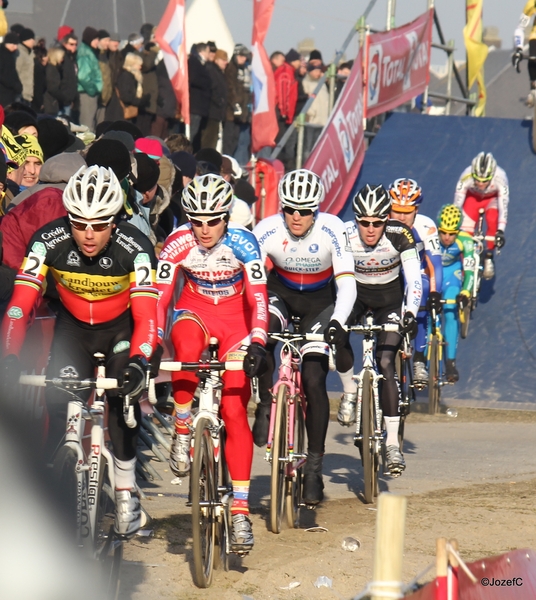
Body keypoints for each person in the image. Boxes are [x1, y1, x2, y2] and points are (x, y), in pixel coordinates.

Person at [0, 165, 158, 538]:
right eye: (79, 223)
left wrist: (140, 360)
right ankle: (56, 495)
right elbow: (20, 306)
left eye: (99, 225)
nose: (88, 234)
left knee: (123, 404)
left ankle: (124, 495)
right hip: (73, 330)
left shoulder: (135, 249)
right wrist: (8, 356)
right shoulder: (48, 241)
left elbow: (148, 316)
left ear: (115, 222)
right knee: (58, 411)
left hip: (121, 332)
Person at [155, 174, 268, 552]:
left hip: (237, 318)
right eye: (196, 219)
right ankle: (183, 424)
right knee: (184, 346)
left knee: (235, 407)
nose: (204, 229)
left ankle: (239, 510)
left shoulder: (243, 241)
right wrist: (154, 339)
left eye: (212, 220)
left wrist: (258, 341)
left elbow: (258, 299)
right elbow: (160, 297)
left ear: (226, 215)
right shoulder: (178, 242)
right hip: (196, 310)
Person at [252, 169, 356, 506]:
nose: (297, 217)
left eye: (305, 210)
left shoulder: (333, 229)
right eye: (290, 209)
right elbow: (249, 280)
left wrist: (338, 322)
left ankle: (313, 468)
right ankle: (266, 403)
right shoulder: (267, 229)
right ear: (281, 207)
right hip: (280, 293)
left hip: (320, 304)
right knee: (263, 332)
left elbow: (347, 284)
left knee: (313, 379)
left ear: (317, 210)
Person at [335, 184, 422, 476]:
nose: (370, 229)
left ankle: (393, 444)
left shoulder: (401, 235)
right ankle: (349, 391)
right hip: (355, 296)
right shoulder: (344, 235)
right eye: (364, 222)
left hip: (390, 301)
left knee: (386, 363)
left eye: (377, 222)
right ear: (356, 219)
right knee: (338, 337)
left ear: (387, 220)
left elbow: (414, 280)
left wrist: (409, 312)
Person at [389, 178, 443, 382]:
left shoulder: (426, 226)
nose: (401, 217)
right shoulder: (379, 223)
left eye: (407, 211)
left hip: (417, 271)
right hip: (391, 274)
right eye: (396, 210)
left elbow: (435, 263)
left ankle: (419, 359)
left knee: (421, 296)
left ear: (416, 209)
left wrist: (435, 293)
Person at [453, 152, 508, 280]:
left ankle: (489, 256)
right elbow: (457, 206)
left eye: (485, 181)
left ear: (492, 175)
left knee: (492, 219)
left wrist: (500, 232)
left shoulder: (501, 178)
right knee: (464, 233)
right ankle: (465, 262)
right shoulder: (465, 176)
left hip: (491, 199)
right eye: (477, 180)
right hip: (472, 198)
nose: (481, 184)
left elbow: (503, 207)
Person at [436, 205, 475, 382]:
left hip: (452, 275)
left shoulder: (465, 240)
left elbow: (470, 270)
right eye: (443, 232)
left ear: (458, 231)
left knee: (451, 311)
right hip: (434, 273)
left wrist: (466, 291)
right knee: (429, 314)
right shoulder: (430, 236)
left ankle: (450, 362)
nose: (446, 237)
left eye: (451, 233)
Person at [513, 2, 536, 105]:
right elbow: (520, 28)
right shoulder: (532, 3)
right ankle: (533, 88)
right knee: (533, 60)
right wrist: (518, 49)